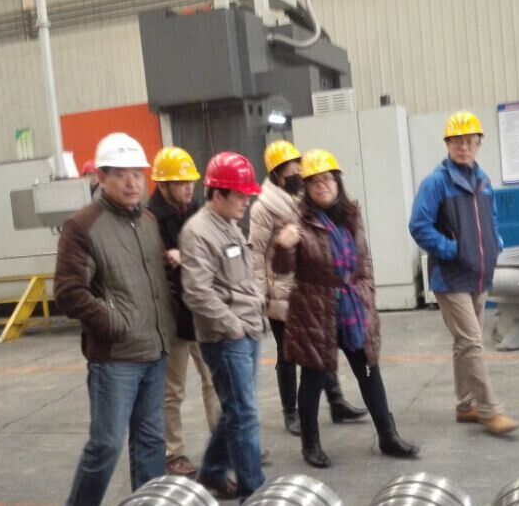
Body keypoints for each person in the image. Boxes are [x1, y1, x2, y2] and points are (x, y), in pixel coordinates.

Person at [273, 149, 420, 468]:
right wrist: (282, 246)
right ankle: (310, 445)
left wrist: (366, 293)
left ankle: (388, 436)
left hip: (352, 307)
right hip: (315, 311)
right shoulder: (297, 222)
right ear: (306, 187)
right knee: (312, 380)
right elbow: (282, 269)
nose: (322, 185)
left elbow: (364, 262)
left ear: (337, 182)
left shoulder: (351, 216)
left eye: (327, 179)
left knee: (369, 372)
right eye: (314, 181)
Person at [55, 132, 175, 506]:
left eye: (137, 174)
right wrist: (113, 322)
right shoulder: (82, 226)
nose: (132, 182)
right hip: (116, 359)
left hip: (155, 351)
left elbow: (154, 279)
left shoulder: (149, 221)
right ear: (101, 178)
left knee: (151, 442)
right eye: (121, 174)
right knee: (106, 445)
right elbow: (68, 291)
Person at [408, 110, 519, 435]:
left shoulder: (484, 183)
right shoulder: (436, 184)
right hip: (451, 277)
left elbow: (491, 220)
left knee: (465, 343)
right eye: (457, 141)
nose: (464, 147)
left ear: (478, 143)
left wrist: (495, 243)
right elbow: (419, 225)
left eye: (470, 141)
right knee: (471, 342)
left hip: (478, 275)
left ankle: (465, 404)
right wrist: (450, 250)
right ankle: (490, 410)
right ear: (447, 144)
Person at [248, 140, 367, 437]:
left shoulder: (302, 200)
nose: (296, 172)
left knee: (322, 346)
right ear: (276, 173)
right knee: (287, 355)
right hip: (279, 291)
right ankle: (291, 413)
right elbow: (257, 255)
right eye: (289, 168)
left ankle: (336, 402)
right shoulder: (263, 207)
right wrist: (261, 296)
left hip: (307, 289)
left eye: (297, 166)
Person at [179, 152, 267, 501]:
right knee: (244, 415)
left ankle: (213, 473)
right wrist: (233, 327)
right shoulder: (198, 232)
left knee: (235, 412)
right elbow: (196, 292)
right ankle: (253, 492)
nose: (246, 202)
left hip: (246, 329)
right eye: (241, 195)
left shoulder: (228, 223)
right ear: (218, 194)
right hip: (226, 338)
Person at [147, 147, 221, 478]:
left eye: (191, 181)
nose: (189, 187)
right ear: (163, 186)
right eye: (180, 182)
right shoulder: (150, 220)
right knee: (173, 390)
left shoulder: (197, 211)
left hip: (202, 312)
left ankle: (225, 440)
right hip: (173, 317)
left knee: (215, 381)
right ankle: (172, 453)